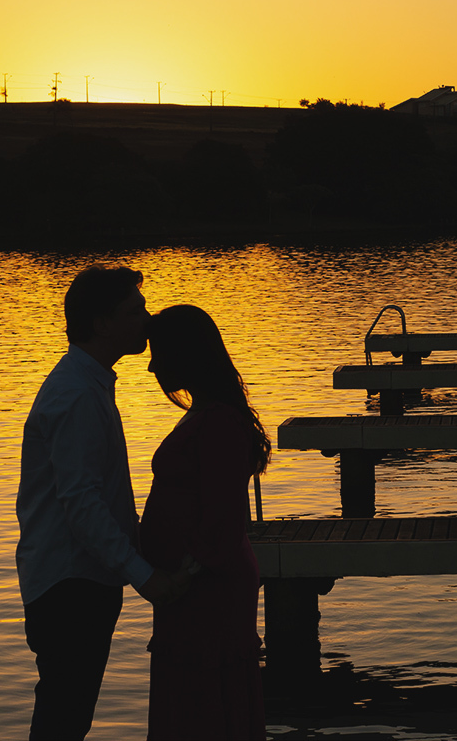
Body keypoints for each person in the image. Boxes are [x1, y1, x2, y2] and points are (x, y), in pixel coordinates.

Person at [16, 265, 188, 741]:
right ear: (101, 323)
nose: (147, 320)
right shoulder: (77, 396)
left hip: (74, 579)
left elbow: (93, 500)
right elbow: (82, 504)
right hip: (70, 584)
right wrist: (145, 576)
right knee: (63, 721)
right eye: (135, 311)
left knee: (67, 719)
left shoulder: (87, 384)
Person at [140, 305, 270, 741]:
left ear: (187, 354)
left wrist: (181, 574)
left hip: (206, 589)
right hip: (189, 589)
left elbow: (221, 518)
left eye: (160, 353)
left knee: (205, 703)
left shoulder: (218, 422)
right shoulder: (205, 415)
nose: (154, 365)